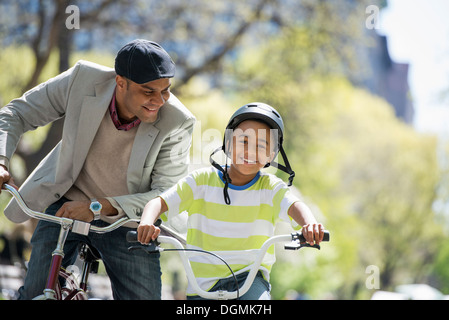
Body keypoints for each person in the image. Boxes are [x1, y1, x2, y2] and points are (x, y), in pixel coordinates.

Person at [0, 39, 196, 299]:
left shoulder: (178, 121)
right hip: (66, 207)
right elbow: (17, 113)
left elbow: (166, 193)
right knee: (36, 293)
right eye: (149, 91)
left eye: (166, 90)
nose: (159, 100)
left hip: (129, 221)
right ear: (121, 82)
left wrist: (97, 207)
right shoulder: (82, 79)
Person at [138, 102, 325, 300]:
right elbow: (158, 203)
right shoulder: (200, 181)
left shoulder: (270, 188)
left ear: (272, 155)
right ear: (227, 143)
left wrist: (309, 224)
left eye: (261, 145)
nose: (250, 151)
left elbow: (295, 206)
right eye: (243, 141)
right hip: (202, 285)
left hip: (250, 280)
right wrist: (147, 222)